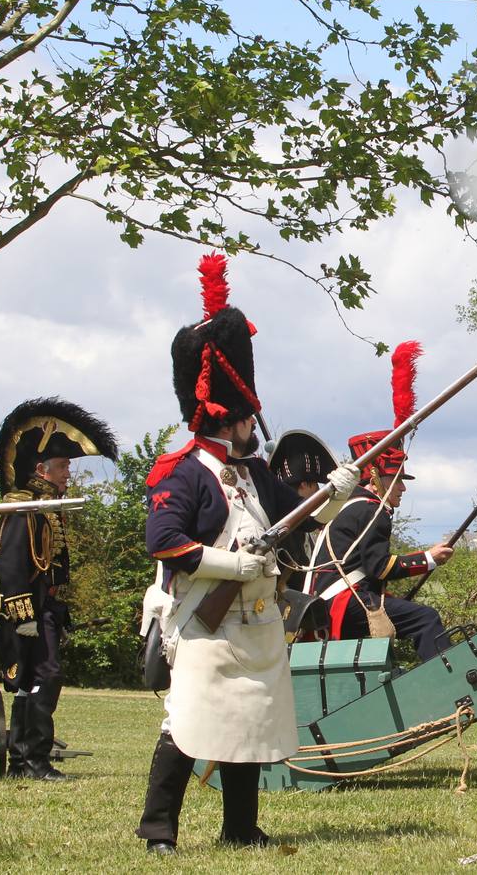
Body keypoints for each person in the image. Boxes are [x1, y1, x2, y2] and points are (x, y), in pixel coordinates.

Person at [135, 254, 360, 854]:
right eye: (244, 418)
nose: (252, 426)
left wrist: (339, 492)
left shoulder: (256, 473)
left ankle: (239, 829)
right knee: (187, 724)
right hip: (203, 617)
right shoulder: (182, 472)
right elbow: (165, 543)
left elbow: (305, 520)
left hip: (256, 619)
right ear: (225, 418)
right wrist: (235, 565)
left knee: (249, 726)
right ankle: (158, 832)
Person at [305, 342, 455, 661]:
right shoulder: (371, 508)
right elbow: (380, 565)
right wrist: (428, 558)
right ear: (375, 476)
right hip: (342, 602)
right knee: (426, 620)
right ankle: (449, 682)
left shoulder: (355, 503)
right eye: (397, 478)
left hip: (337, 601)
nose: (402, 487)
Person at [0, 397, 118, 780]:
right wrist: (25, 618)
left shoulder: (46, 508)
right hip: (27, 610)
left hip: (44, 607)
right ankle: (34, 760)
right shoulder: (23, 510)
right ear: (41, 469)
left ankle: (23, 761)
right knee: (44, 676)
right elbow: (11, 568)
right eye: (63, 465)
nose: (68, 473)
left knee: (33, 680)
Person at [267, 430, 337, 590]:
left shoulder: (299, 522)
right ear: (305, 485)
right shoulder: (285, 522)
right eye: (316, 486)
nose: (318, 492)